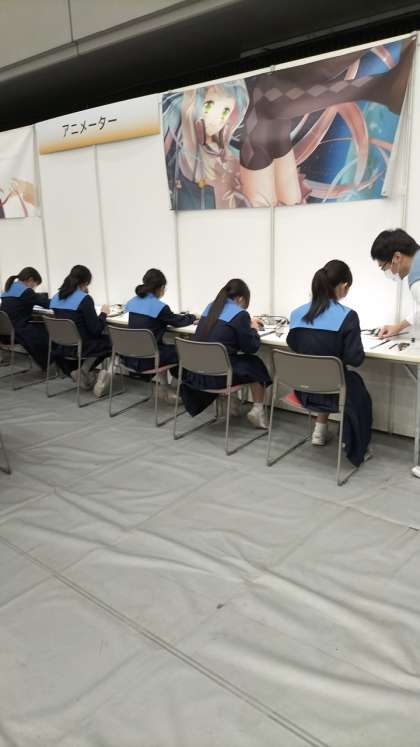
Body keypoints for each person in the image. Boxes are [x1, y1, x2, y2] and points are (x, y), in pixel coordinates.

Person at [287, 260, 372, 466]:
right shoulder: (348, 317)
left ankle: (319, 430)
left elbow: (293, 345)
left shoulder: (296, 314)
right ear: (343, 286)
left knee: (325, 374)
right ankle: (355, 446)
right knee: (356, 387)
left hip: (303, 390)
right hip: (333, 394)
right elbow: (355, 359)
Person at [181, 278, 271, 428]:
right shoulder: (240, 315)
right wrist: (254, 328)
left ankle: (232, 403)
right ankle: (257, 410)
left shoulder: (210, 308)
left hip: (197, 375)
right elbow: (251, 347)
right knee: (254, 362)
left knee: (232, 359)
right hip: (218, 377)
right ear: (240, 298)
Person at [371, 228, 420, 478]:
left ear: (397, 257)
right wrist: (398, 327)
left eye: (385, 267)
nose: (388, 272)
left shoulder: (416, 279)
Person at [117, 268, 196, 402]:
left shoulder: (132, 302)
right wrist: (193, 317)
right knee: (182, 351)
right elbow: (178, 322)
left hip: (130, 357)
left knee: (163, 347)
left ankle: (164, 387)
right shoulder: (160, 307)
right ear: (161, 288)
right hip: (149, 359)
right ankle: (172, 389)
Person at [49, 265, 111, 392]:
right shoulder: (85, 299)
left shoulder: (56, 297)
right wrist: (104, 313)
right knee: (110, 342)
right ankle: (83, 371)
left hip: (61, 345)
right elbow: (95, 330)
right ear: (85, 282)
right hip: (81, 346)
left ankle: (82, 372)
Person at [1, 267, 50, 369]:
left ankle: (44, 363)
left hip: (6, 333)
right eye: (35, 284)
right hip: (20, 331)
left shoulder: (8, 289)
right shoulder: (26, 291)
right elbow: (45, 303)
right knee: (48, 332)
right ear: (30, 279)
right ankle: (49, 363)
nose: (34, 288)